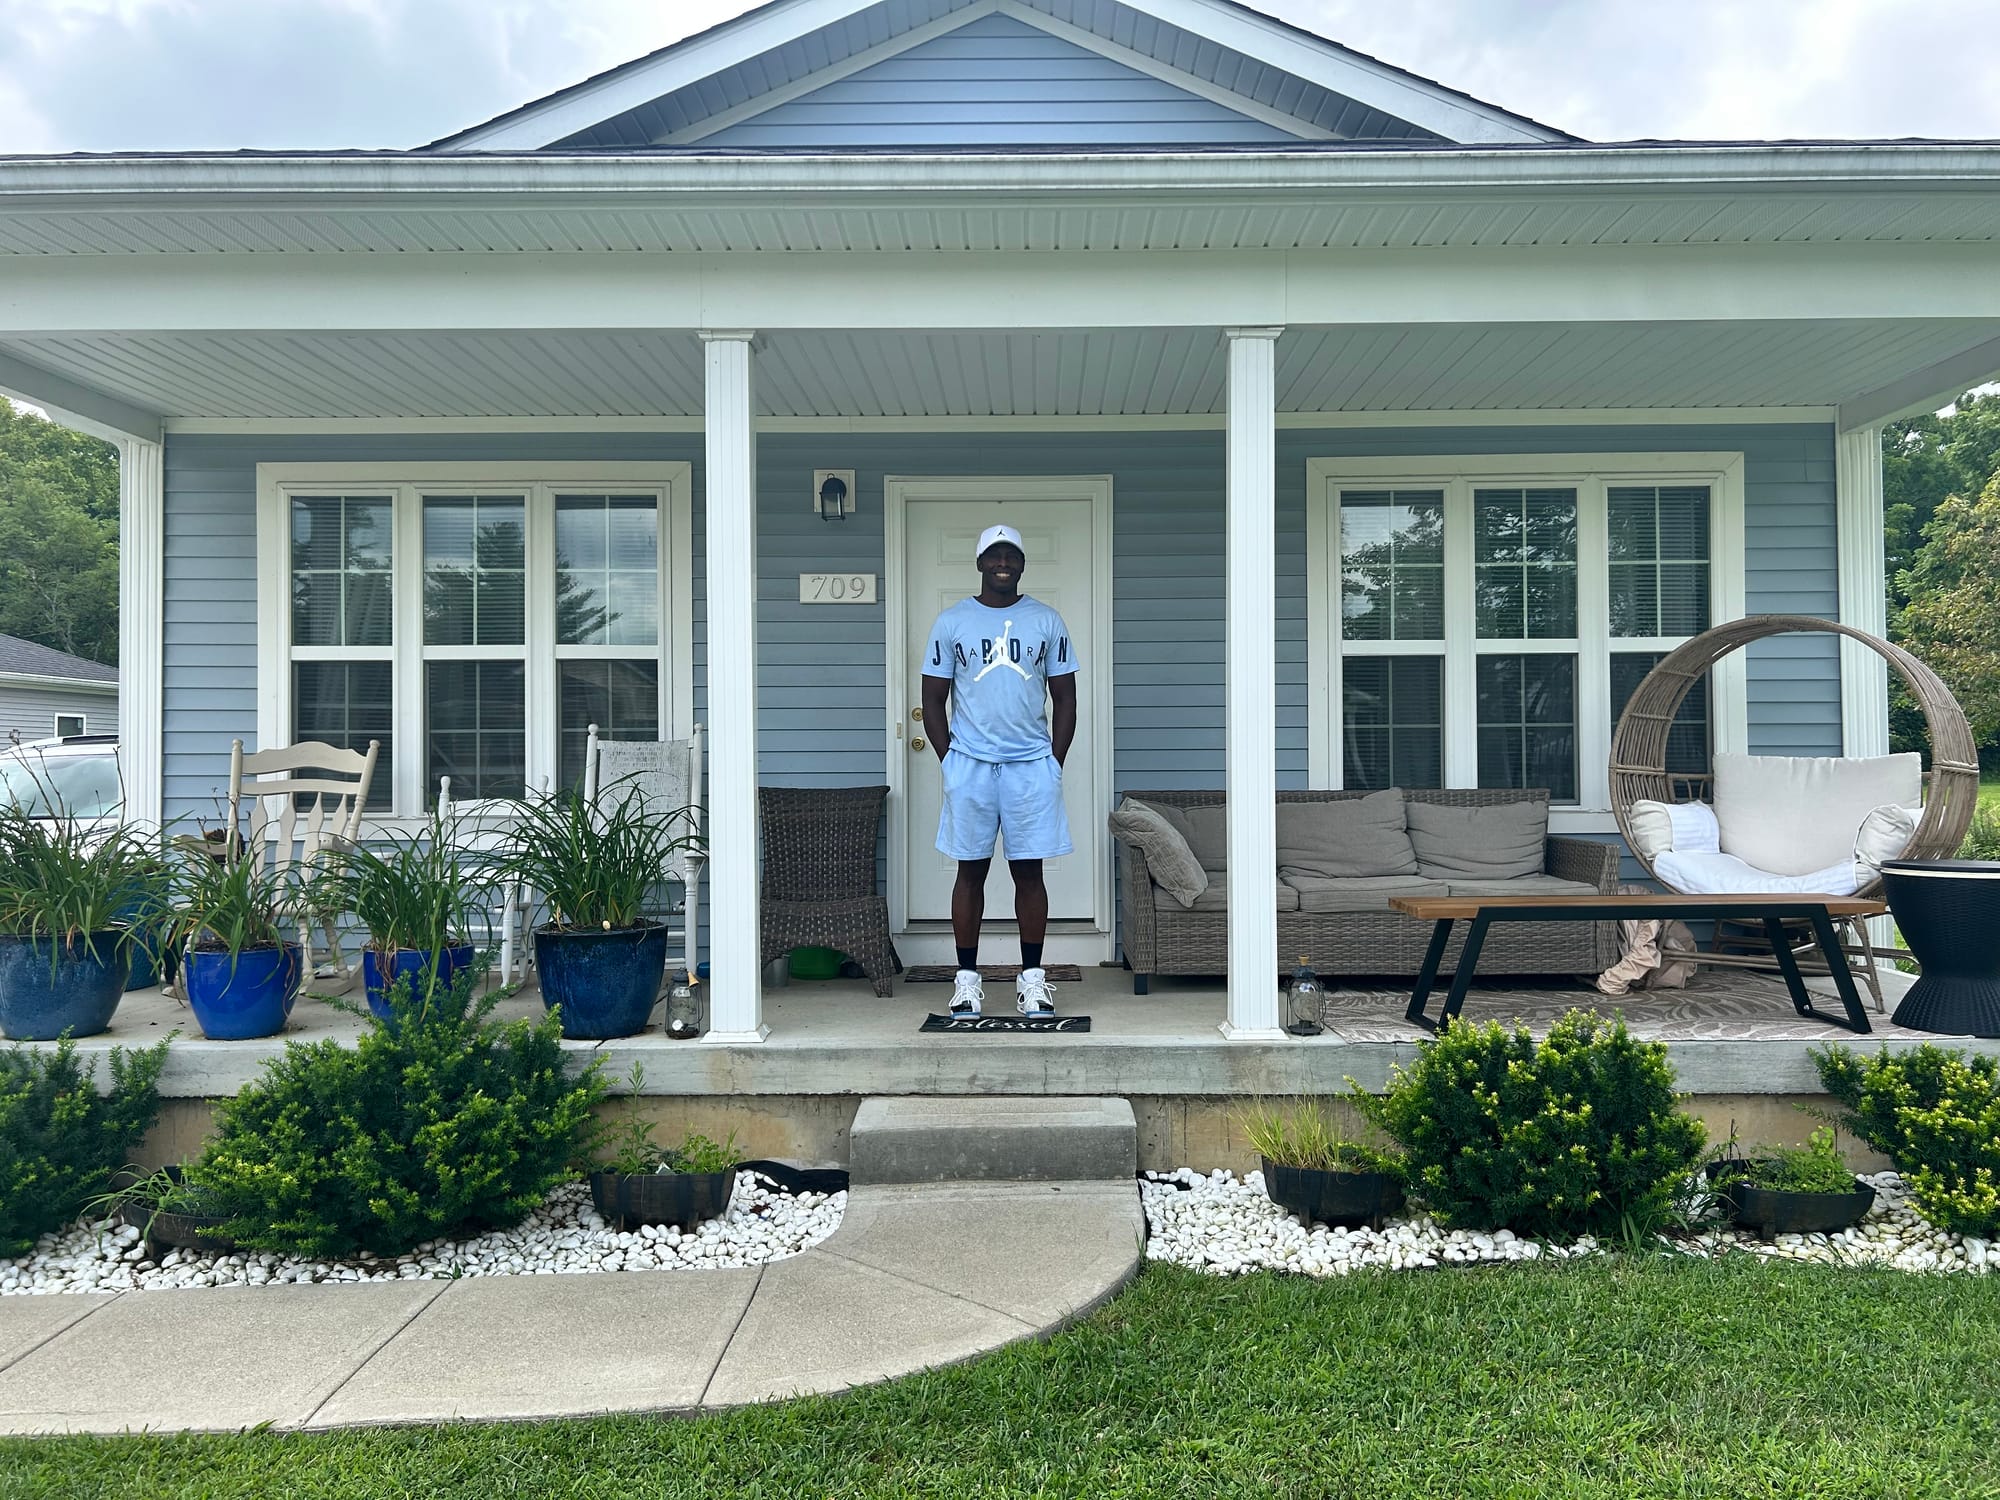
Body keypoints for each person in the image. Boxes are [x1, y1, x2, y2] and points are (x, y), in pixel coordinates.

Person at [921, 522, 1078, 1019]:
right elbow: (932, 700)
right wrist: (951, 762)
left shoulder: (1047, 621)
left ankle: (1032, 981)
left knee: (1029, 873)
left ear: (1022, 564)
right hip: (971, 766)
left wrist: (1054, 761)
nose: (1003, 563)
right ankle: (966, 982)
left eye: (1011, 555)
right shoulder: (951, 622)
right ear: (980, 563)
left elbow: (1066, 698)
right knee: (970, 872)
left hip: (1030, 766)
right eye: (994, 555)